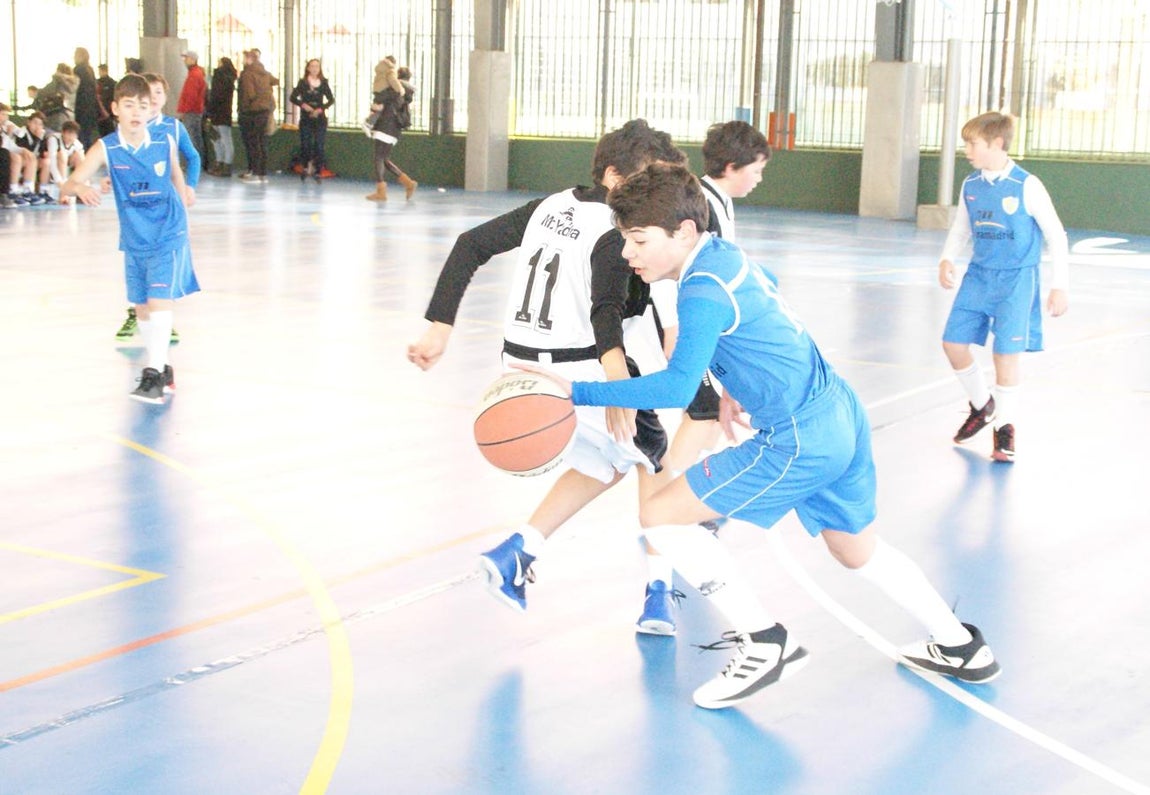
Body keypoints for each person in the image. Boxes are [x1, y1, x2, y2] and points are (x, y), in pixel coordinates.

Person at [520, 161, 1001, 709]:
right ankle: (959, 644)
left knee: (660, 515)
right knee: (855, 548)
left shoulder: (699, 291)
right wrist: (732, 386)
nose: (628, 253)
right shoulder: (723, 258)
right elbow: (763, 308)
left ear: (683, 232)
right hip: (838, 412)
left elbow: (678, 386)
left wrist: (576, 393)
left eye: (637, 239)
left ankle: (764, 641)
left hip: (797, 438)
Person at [408, 119, 708, 636]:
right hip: (583, 365)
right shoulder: (615, 229)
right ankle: (660, 594)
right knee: (655, 468)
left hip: (523, 365)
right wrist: (617, 383)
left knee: (604, 463)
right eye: (643, 181)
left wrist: (438, 327)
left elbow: (468, 245)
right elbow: (606, 307)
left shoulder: (549, 207)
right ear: (614, 176)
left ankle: (518, 551)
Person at [59, 73, 199, 403]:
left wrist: (186, 220)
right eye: (129, 105)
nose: (136, 112)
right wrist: (83, 188)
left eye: (143, 105)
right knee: (141, 307)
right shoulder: (107, 148)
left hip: (168, 231)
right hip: (135, 236)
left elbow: (178, 176)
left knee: (158, 299)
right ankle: (163, 367)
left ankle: (153, 373)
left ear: (152, 110)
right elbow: (67, 185)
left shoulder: (164, 140)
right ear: (114, 108)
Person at [938, 111, 1069, 463]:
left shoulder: (1027, 185)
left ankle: (1005, 428)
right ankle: (983, 406)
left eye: (972, 143)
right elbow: (962, 228)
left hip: (1016, 281)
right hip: (979, 276)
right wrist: (947, 258)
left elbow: (1056, 234)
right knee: (952, 343)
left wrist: (1060, 285)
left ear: (996, 144)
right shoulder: (971, 186)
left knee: (1004, 356)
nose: (967, 149)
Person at [660, 120, 773, 481]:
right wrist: (673, 333)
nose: (760, 179)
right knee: (705, 412)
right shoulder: (702, 207)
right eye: (756, 170)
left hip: (685, 325)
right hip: (676, 326)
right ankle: (668, 497)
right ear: (731, 167)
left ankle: (685, 495)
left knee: (705, 416)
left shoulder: (716, 201)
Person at [114, 72, 199, 345]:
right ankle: (140, 312)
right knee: (140, 267)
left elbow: (193, 158)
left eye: (158, 94)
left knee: (166, 265)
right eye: (146, 96)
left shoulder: (172, 128)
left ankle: (161, 316)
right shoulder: (129, 131)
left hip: (168, 214)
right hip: (138, 217)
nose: (152, 100)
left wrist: (190, 187)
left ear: (163, 98)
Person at [364, 57, 416, 201]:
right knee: (384, 159)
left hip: (386, 124)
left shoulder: (394, 90)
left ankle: (381, 191)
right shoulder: (406, 92)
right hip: (395, 127)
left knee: (378, 158)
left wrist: (376, 104)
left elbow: (379, 102)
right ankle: (408, 183)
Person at [289, 58, 334, 181]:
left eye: (317, 67)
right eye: (312, 66)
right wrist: (303, 105)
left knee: (319, 145)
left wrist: (321, 109)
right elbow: (293, 97)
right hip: (306, 118)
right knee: (306, 143)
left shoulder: (324, 83)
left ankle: (318, 170)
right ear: (308, 68)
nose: (314, 69)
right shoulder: (302, 82)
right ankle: (304, 167)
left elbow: (331, 99)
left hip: (320, 119)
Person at [237, 48, 277, 184]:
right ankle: (262, 174)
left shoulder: (247, 74)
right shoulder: (265, 73)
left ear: (249, 59)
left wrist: (243, 108)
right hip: (265, 111)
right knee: (262, 142)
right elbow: (276, 81)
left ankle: (254, 172)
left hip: (251, 113)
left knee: (253, 143)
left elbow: (248, 94)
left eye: (244, 58)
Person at [206, 56, 237, 176]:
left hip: (216, 114)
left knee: (218, 140)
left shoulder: (219, 78)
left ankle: (221, 163)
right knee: (225, 140)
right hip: (225, 114)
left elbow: (215, 96)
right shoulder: (230, 79)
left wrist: (209, 110)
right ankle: (225, 165)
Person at [176, 50, 208, 165]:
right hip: (195, 110)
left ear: (193, 59)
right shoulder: (197, 73)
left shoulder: (194, 75)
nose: (184, 60)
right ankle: (198, 162)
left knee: (190, 138)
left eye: (187, 58)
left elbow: (190, 95)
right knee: (196, 137)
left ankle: (192, 163)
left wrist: (184, 110)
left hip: (191, 111)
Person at [46, 120, 85, 203]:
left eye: (74, 134)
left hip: (66, 165)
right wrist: (61, 184)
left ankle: (79, 190)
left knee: (80, 157)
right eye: (69, 133)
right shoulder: (54, 139)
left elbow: (85, 166)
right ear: (63, 133)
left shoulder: (77, 144)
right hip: (50, 168)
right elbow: (52, 163)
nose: (71, 137)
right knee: (62, 155)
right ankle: (64, 193)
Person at [73, 47, 101, 149]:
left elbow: (75, 89)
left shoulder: (78, 70)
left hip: (81, 107)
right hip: (90, 108)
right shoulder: (90, 70)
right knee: (88, 135)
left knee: (80, 136)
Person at [39, 63, 79, 132]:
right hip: (70, 116)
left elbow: (41, 94)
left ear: (58, 70)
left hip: (55, 115)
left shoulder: (57, 82)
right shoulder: (75, 82)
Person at [96, 64, 117, 137]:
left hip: (109, 112)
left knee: (109, 132)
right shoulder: (97, 82)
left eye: (100, 71)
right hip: (99, 113)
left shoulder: (112, 83)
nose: (99, 73)